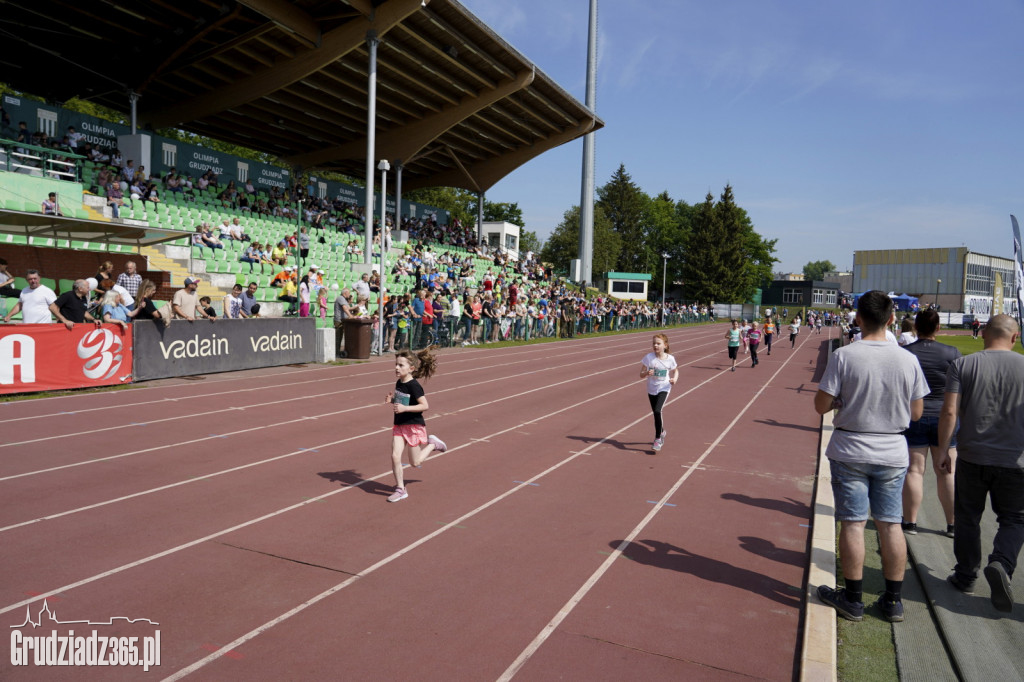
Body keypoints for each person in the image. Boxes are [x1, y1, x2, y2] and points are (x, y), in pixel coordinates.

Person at [814, 291, 928, 624]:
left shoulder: (845, 355)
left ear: (857, 318)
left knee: (852, 523)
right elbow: (917, 412)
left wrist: (841, 403)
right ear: (891, 319)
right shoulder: (908, 359)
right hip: (892, 450)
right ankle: (892, 601)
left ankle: (852, 598)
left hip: (850, 448)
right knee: (890, 524)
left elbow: (821, 405)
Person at [938, 314, 1024, 613]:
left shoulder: (963, 364)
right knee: (1014, 519)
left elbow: (949, 412)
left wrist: (944, 449)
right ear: (1015, 337)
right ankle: (1001, 562)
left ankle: (965, 575)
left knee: (967, 517)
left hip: (972, 455)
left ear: (983, 332)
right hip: (1015, 460)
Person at [901, 309, 961, 537]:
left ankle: (910, 522)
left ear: (915, 327)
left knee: (914, 470)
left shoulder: (906, 353)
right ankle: (952, 524)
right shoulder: (952, 353)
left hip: (914, 415)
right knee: (946, 472)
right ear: (938, 328)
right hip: (944, 417)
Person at [384, 347, 448, 503]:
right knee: (395, 456)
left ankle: (432, 444)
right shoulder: (399, 382)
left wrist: (405, 408)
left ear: (411, 368)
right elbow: (403, 402)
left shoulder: (414, 386)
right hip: (399, 425)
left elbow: (424, 405)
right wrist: (392, 401)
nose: (396, 368)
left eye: (401, 365)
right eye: (396, 364)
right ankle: (400, 489)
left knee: (415, 462)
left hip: (413, 426)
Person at [640, 334, 679, 452]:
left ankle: (658, 439)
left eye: (658, 343)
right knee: (655, 413)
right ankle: (662, 431)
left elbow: (676, 371)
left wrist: (674, 379)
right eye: (654, 343)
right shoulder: (648, 357)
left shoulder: (670, 359)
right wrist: (646, 373)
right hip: (651, 388)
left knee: (658, 410)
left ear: (665, 345)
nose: (655, 345)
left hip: (664, 387)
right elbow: (641, 374)